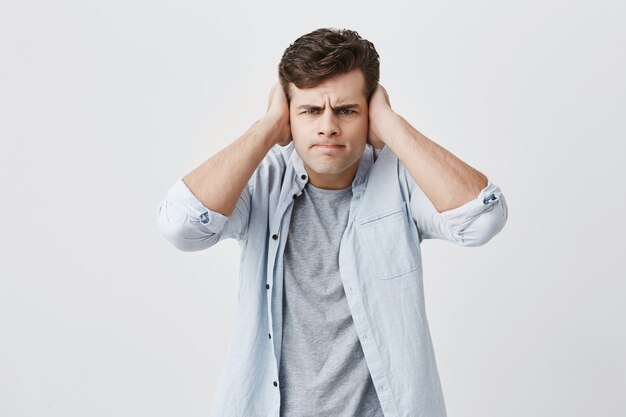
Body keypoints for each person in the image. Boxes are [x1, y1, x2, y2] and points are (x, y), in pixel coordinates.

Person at [158, 28, 508, 417]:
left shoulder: (398, 178)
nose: (328, 126)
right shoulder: (263, 179)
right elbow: (182, 227)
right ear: (289, 116)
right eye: (309, 110)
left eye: (346, 110)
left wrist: (391, 124)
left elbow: (482, 219)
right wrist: (268, 125)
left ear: (368, 114)